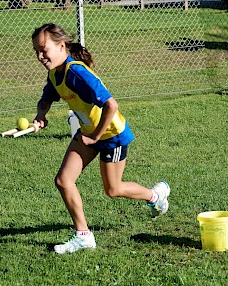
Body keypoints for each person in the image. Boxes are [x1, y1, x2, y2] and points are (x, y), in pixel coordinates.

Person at [31, 23, 171, 254]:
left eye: (44, 49)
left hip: (111, 135)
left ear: (61, 46)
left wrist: (95, 137)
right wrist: (40, 116)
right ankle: (83, 235)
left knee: (113, 190)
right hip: (88, 133)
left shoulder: (77, 73)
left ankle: (155, 195)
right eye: (36, 50)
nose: (39, 56)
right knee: (63, 181)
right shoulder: (55, 74)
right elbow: (47, 98)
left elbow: (111, 105)